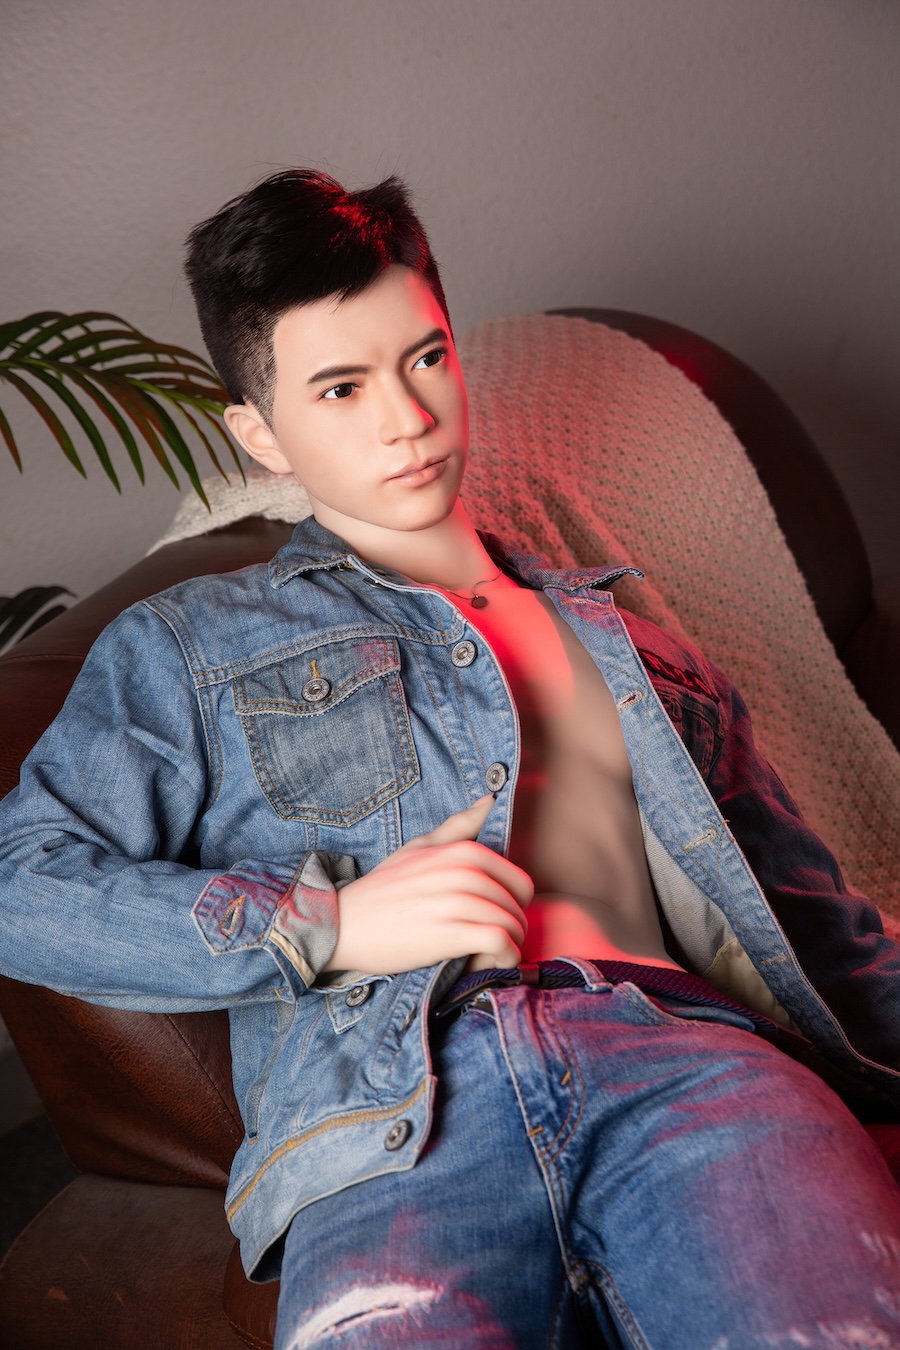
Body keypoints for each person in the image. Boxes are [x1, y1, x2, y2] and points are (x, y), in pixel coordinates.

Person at [2, 169, 900, 1349]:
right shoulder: (190, 644)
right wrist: (326, 926)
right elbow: (22, 887)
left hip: (697, 1069)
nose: (406, 418)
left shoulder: (646, 648)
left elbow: (830, 933)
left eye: (424, 357)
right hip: (393, 1122)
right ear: (261, 434)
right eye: (341, 387)